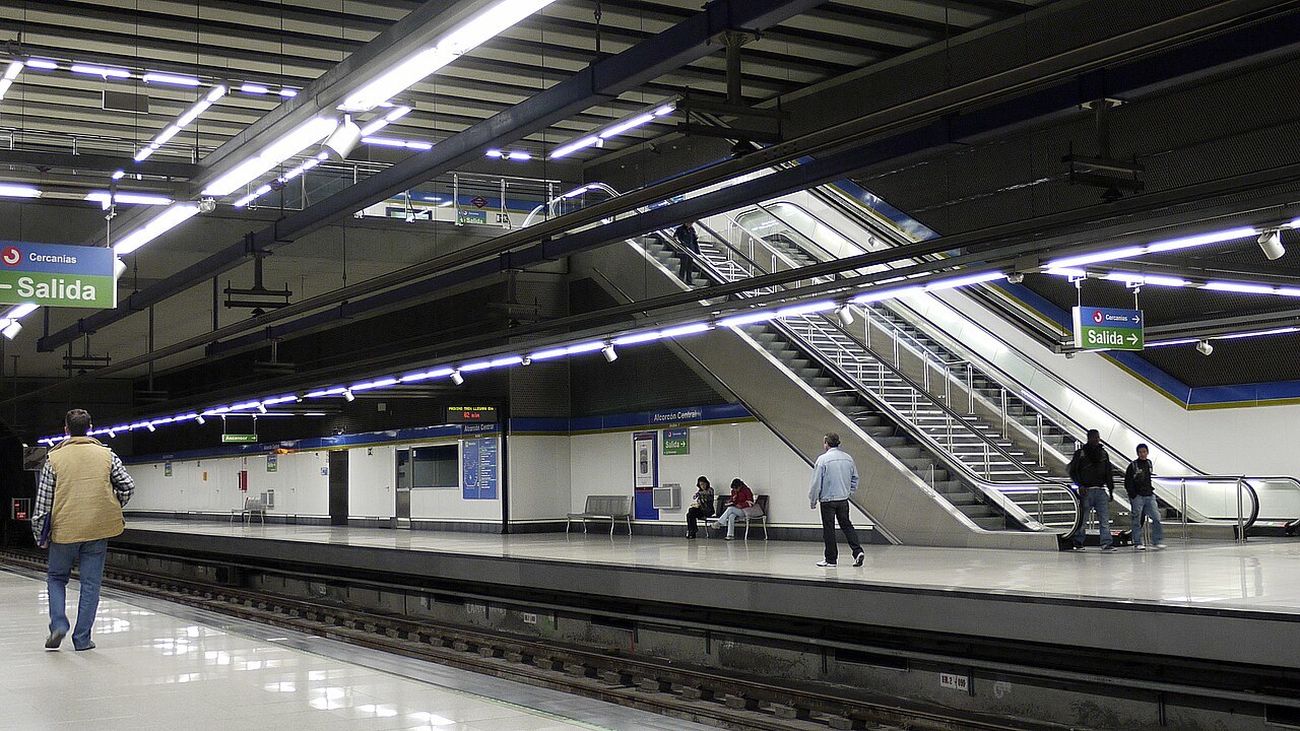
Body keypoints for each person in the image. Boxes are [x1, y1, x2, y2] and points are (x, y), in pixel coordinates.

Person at [31, 409, 135, 651]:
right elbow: (128, 486)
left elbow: (43, 504)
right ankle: (82, 639)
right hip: (97, 529)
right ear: (91, 427)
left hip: (64, 530)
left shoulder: (54, 459)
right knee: (91, 584)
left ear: (66, 429)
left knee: (56, 578)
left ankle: (59, 625)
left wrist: (39, 535)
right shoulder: (107, 455)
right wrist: (111, 506)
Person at [809, 432, 864, 568]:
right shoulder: (848, 458)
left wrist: (813, 499)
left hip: (827, 500)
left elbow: (816, 483)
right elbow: (855, 478)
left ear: (826, 444)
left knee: (829, 529)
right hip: (843, 499)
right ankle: (857, 551)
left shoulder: (822, 460)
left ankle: (831, 559)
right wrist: (848, 492)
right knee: (847, 525)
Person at [1068, 429, 1116, 552]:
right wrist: (1079, 485)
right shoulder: (1081, 453)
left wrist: (1110, 490)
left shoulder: (1103, 453)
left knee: (1104, 519)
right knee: (1083, 519)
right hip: (1086, 490)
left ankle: (1106, 542)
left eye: (1098, 437)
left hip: (1100, 490)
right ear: (1089, 438)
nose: (1097, 439)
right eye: (1094, 437)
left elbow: (1108, 473)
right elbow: (1073, 470)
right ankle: (1078, 541)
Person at [1125, 443, 1165, 550]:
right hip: (1138, 496)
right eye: (1140, 452)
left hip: (1149, 495)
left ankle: (1157, 541)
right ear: (1137, 453)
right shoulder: (1133, 465)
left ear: (1147, 452)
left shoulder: (1149, 463)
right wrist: (1133, 494)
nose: (1142, 454)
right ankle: (1137, 541)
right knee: (1137, 519)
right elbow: (1128, 481)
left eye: (1144, 452)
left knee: (1156, 517)